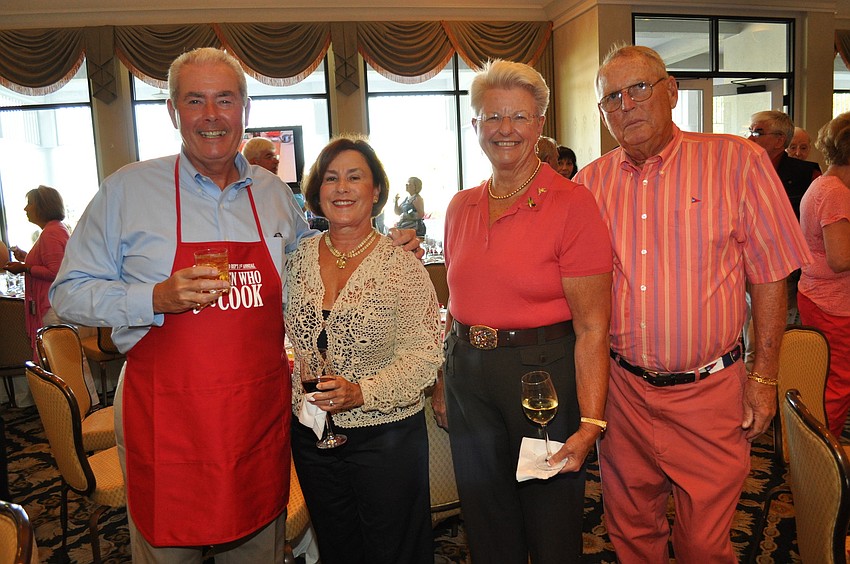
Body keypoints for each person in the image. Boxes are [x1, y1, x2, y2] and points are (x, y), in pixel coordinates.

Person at [50, 47, 420, 563]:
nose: (211, 115)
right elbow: (66, 292)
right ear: (173, 111)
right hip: (168, 421)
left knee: (257, 551)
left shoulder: (272, 194)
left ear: (244, 109)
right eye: (195, 100)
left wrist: (381, 248)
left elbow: (315, 259)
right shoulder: (127, 191)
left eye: (225, 100)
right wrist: (153, 296)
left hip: (254, 419)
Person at [575, 44, 811, 563]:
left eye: (639, 88)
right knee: (631, 530)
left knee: (704, 545)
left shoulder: (737, 161)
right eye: (611, 97)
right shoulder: (588, 185)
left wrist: (764, 376)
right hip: (623, 392)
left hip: (709, 393)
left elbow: (771, 277)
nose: (627, 105)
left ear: (672, 93)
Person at [432, 59, 613, 563]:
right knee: (485, 516)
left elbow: (594, 326)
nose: (504, 129)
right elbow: (457, 305)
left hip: (542, 378)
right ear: (475, 126)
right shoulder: (459, 206)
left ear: (538, 125)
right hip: (468, 373)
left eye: (518, 117)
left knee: (549, 519)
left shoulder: (572, 204)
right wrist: (446, 380)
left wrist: (591, 422)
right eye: (492, 117)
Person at [286, 136, 442, 564]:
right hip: (314, 434)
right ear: (317, 192)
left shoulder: (401, 265)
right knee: (338, 546)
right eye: (331, 178)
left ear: (376, 192)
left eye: (355, 177)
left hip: (385, 437)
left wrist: (362, 392)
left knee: (395, 550)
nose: (342, 188)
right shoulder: (297, 260)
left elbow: (425, 354)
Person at [797, 113, 850, 438]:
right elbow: (841, 258)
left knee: (828, 377)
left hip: (820, 296)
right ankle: (823, 461)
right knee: (837, 382)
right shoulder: (835, 192)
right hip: (832, 303)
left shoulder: (823, 184)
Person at [4, 186, 70, 357]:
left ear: (43, 206)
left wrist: (25, 268)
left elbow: (55, 272)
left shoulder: (51, 233)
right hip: (54, 304)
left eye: (30, 203)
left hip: (52, 307)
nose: (26, 208)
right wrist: (26, 258)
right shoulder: (54, 230)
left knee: (59, 359)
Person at [748, 110, 821, 219]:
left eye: (758, 133)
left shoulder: (808, 174)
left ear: (779, 141)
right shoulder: (743, 169)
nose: (750, 139)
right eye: (750, 132)